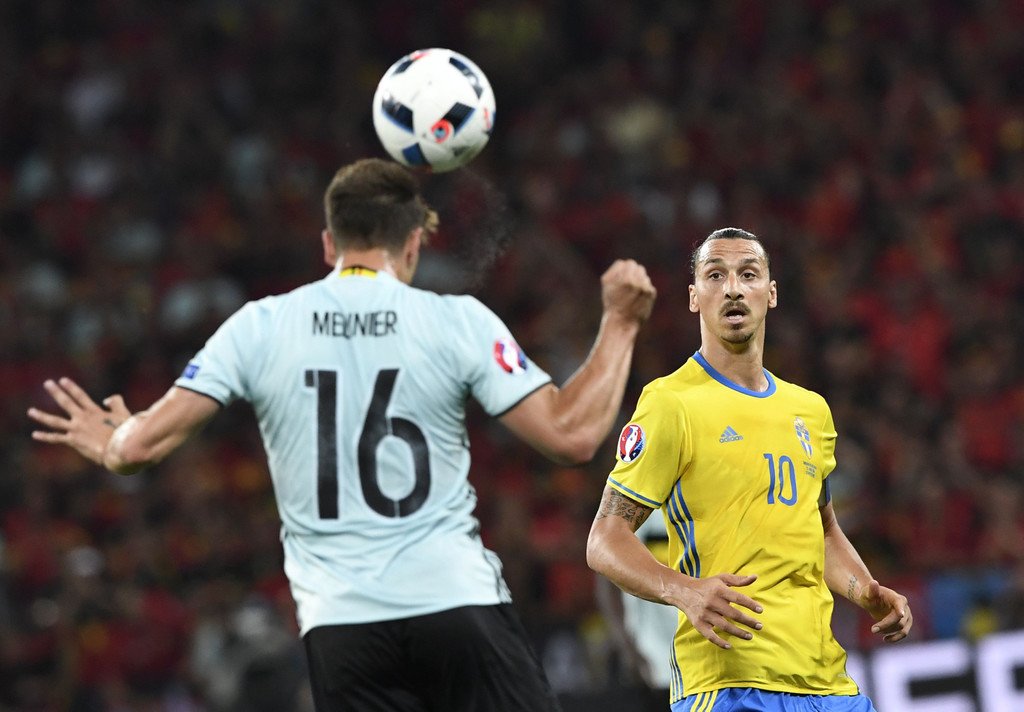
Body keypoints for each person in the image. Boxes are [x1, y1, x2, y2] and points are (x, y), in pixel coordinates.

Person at [28, 158, 657, 712]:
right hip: (453, 603)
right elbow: (572, 436)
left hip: (342, 629)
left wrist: (112, 441)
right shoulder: (452, 320)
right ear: (413, 244)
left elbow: (137, 447)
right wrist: (620, 323)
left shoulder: (259, 325)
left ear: (329, 243)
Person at [586, 228, 912, 712]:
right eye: (715, 275)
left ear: (771, 293)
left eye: (748, 274)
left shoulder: (810, 412)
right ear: (694, 297)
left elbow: (821, 530)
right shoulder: (670, 404)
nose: (733, 288)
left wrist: (864, 589)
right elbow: (604, 539)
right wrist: (685, 591)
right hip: (728, 685)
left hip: (827, 684)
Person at [595, 512, 676, 710]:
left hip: (705, 661)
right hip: (653, 661)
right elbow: (608, 584)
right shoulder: (634, 507)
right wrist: (626, 646)